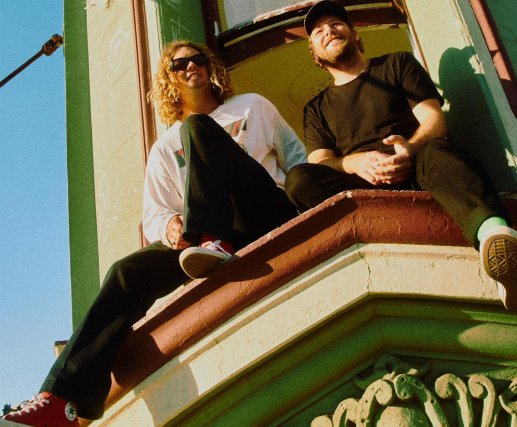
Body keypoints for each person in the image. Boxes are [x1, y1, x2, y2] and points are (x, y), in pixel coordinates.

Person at [2, 40, 306, 427]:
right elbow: (155, 214)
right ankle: (61, 401)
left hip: (266, 217)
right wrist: (170, 225)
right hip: (210, 244)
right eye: (179, 64)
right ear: (168, 79)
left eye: (198, 59)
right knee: (126, 271)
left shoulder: (252, 106)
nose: (191, 66)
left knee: (198, 127)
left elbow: (299, 162)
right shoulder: (164, 148)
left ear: (210, 67)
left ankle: (214, 240)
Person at [285, 1, 517, 312]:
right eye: (318, 31)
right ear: (314, 52)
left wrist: (411, 147)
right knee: (298, 179)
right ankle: (348, 258)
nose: (329, 31)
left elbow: (434, 120)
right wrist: (354, 163)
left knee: (439, 150)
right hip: (362, 194)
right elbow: (319, 163)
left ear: (355, 34)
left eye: (336, 24)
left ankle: (496, 239)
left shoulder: (397, 64)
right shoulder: (316, 108)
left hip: (417, 170)